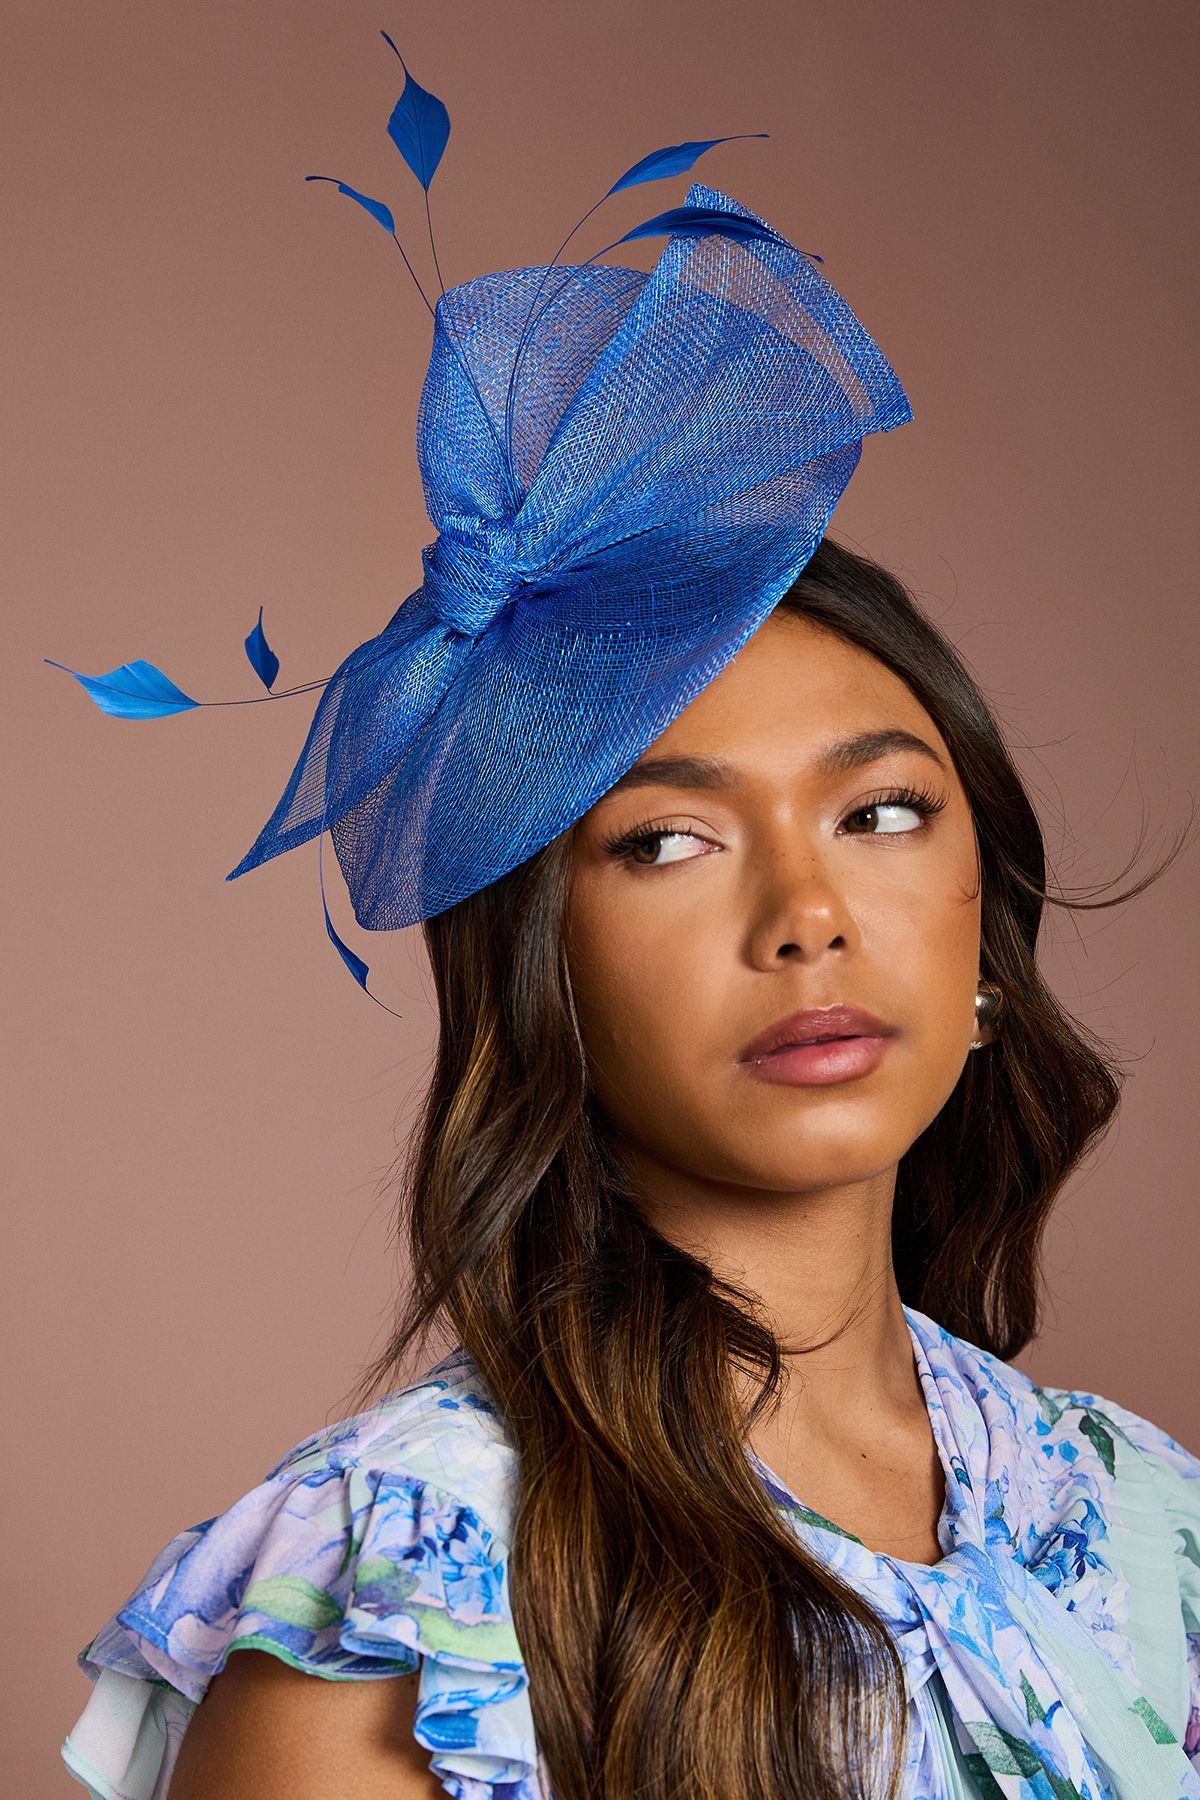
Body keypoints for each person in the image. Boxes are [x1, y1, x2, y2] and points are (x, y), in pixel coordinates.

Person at [56, 46, 1199, 1800]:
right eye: (665, 842)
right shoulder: (410, 1589)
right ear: (542, 970)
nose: (808, 913)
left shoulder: (1146, 1517)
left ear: (989, 929)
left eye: (883, 812)